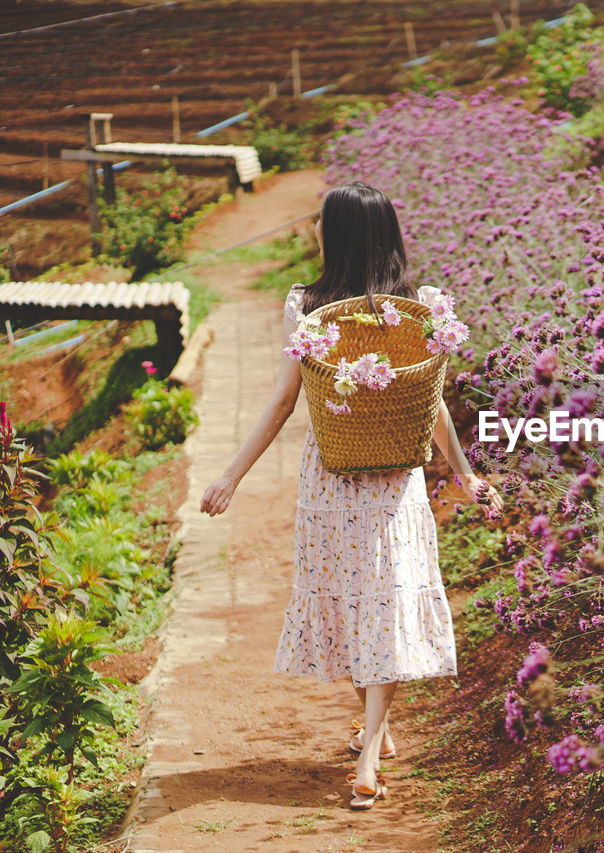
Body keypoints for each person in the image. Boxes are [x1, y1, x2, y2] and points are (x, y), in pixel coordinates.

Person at [199, 181, 503, 810]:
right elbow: (431, 403)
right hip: (396, 484)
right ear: (388, 232)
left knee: (341, 602)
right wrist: (464, 473)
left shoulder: (307, 305)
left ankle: (368, 746)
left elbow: (284, 402)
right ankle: (373, 741)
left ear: (331, 236)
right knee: (386, 604)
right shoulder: (420, 306)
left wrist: (231, 474)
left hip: (331, 477)